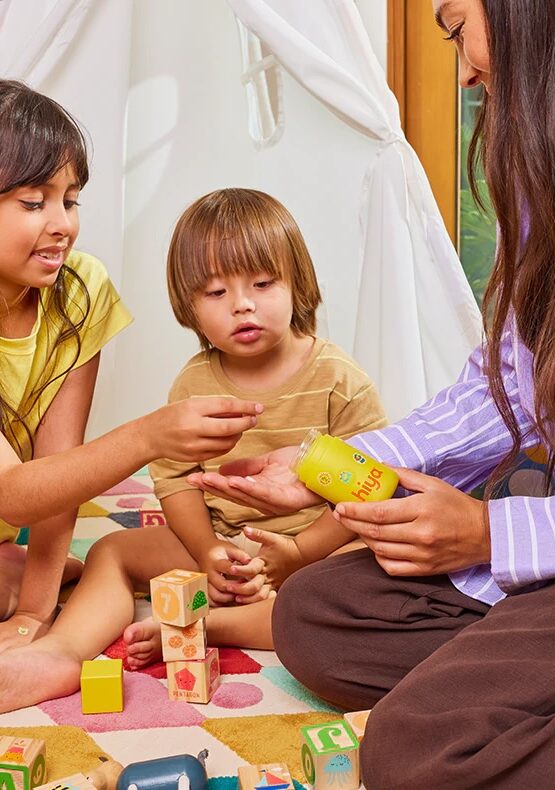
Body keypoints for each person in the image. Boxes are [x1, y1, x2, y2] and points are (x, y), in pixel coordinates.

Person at [187, 1, 555, 786]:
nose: (465, 67)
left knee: (417, 750)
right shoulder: (549, 191)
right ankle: (525, 663)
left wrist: (490, 536)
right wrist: (319, 465)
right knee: (315, 615)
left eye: (454, 26)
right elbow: (505, 382)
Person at [0, 187, 386, 712]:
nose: (242, 304)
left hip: (314, 551)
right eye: (215, 293)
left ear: (300, 284)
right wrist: (207, 550)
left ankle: (208, 624)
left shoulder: (339, 378)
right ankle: (63, 652)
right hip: (223, 544)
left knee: (358, 578)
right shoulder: (194, 382)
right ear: (189, 308)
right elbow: (177, 479)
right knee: (112, 551)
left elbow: (369, 489)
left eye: (263, 283)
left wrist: (298, 553)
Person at [0, 80, 263, 653]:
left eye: (69, 200)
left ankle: (19, 571)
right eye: (32, 202)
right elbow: (13, 494)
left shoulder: (79, 291)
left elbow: (60, 473)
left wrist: (33, 614)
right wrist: (149, 435)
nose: (62, 224)